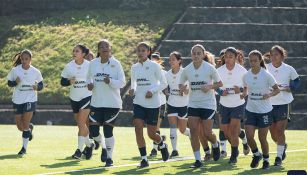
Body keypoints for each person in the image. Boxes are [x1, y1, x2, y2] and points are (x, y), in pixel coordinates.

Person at [179, 44, 222, 168]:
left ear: (203, 55)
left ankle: (215, 144)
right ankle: (198, 160)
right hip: (193, 104)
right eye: (194, 53)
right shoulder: (187, 69)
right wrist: (182, 88)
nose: (196, 55)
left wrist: (209, 87)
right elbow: (181, 85)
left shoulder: (210, 68)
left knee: (207, 133)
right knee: (194, 131)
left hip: (208, 104)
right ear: (191, 55)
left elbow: (220, 83)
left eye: (199, 53)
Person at [129, 42, 169, 168]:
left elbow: (163, 84)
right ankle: (144, 159)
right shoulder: (134, 67)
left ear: (148, 52)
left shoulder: (154, 66)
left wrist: (152, 91)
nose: (140, 52)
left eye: (143, 50)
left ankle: (161, 144)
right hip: (138, 103)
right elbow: (134, 84)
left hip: (152, 104)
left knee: (151, 134)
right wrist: (133, 90)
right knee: (138, 129)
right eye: (138, 50)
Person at [87, 39, 126, 167]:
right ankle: (103, 146)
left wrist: (111, 82)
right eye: (101, 46)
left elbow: (122, 82)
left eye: (106, 46)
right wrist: (90, 85)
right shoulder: (92, 64)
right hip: (96, 102)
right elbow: (89, 78)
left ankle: (109, 158)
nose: (104, 48)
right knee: (93, 131)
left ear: (110, 49)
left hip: (112, 104)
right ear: (98, 50)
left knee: (108, 131)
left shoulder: (116, 64)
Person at [242, 50, 280, 170]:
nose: (253, 63)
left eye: (255, 60)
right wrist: (243, 94)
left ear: (260, 61)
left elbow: (277, 90)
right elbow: (246, 88)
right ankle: (256, 154)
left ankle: (266, 160)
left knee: (262, 138)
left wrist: (269, 95)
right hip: (250, 110)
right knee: (249, 136)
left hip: (264, 111)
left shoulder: (266, 75)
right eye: (251, 61)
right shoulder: (246, 75)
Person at [266, 45, 300, 166]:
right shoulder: (265, 68)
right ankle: (283, 146)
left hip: (283, 103)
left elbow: (296, 80)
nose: (274, 57)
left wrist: (290, 88)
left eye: (276, 54)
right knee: (273, 133)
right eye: (272, 55)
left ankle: (279, 157)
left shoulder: (289, 69)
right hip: (268, 104)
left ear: (282, 56)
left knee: (280, 130)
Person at [7, 49, 44, 156]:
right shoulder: (15, 70)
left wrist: (37, 87)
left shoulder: (35, 72)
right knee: (20, 127)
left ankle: (24, 148)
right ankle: (29, 129)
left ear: (30, 60)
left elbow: (41, 85)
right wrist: (15, 82)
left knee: (25, 123)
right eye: (22, 59)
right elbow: (9, 83)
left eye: (26, 59)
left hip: (30, 99)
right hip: (17, 99)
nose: (24, 61)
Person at [61, 44, 95, 159]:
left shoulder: (90, 65)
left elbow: (95, 81)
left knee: (81, 123)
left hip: (87, 97)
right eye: (74, 51)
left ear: (83, 54)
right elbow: (62, 82)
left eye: (77, 51)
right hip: (74, 98)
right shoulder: (69, 66)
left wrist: (92, 85)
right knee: (80, 125)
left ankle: (79, 151)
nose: (74, 53)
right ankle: (89, 144)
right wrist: (69, 82)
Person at [216, 47, 249, 164]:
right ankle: (242, 139)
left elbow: (247, 87)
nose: (228, 59)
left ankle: (234, 155)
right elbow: (214, 85)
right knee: (225, 131)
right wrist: (220, 92)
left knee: (234, 130)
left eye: (231, 57)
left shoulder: (242, 71)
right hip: (224, 104)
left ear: (236, 57)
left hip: (238, 104)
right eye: (226, 57)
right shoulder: (219, 71)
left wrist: (239, 90)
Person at [165, 51, 190, 158]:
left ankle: (193, 135)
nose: (171, 61)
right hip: (171, 103)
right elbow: (164, 86)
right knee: (172, 127)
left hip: (183, 105)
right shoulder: (167, 74)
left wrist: (184, 91)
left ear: (179, 61)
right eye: (170, 59)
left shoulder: (185, 72)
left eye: (173, 59)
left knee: (183, 130)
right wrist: (165, 91)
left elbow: (188, 91)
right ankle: (174, 150)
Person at [149, 52, 167, 157]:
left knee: (156, 126)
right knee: (152, 128)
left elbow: (167, 86)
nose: (153, 62)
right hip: (150, 103)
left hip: (161, 103)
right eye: (152, 60)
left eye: (155, 60)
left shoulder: (164, 73)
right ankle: (161, 141)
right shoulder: (147, 72)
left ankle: (154, 149)